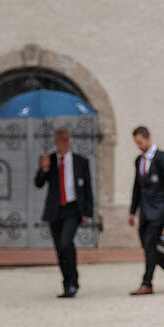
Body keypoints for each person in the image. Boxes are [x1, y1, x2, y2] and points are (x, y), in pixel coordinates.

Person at [33, 127, 93, 298]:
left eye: (67, 139)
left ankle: (73, 280)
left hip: (73, 208)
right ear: (55, 142)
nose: (65, 143)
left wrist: (88, 210)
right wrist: (43, 169)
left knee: (67, 243)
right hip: (55, 210)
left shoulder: (80, 161)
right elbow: (38, 183)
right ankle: (67, 283)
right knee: (60, 248)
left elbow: (88, 188)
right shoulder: (49, 160)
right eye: (61, 140)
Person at [127, 125, 164, 295]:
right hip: (145, 210)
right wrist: (132, 211)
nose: (139, 146)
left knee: (150, 244)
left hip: (160, 210)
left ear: (148, 138)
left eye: (141, 142)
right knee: (148, 246)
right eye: (137, 143)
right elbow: (137, 187)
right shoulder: (139, 160)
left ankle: (147, 283)